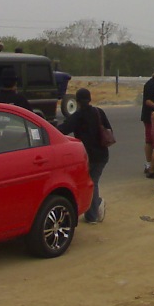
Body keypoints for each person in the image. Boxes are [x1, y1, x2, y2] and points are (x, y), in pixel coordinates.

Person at [57, 89, 111, 223]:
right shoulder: (99, 112)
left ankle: (92, 215)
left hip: (86, 156)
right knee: (93, 181)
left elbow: (62, 130)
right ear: (90, 99)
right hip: (102, 154)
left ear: (77, 101)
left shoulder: (77, 116)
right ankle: (94, 206)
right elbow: (109, 129)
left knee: (90, 183)